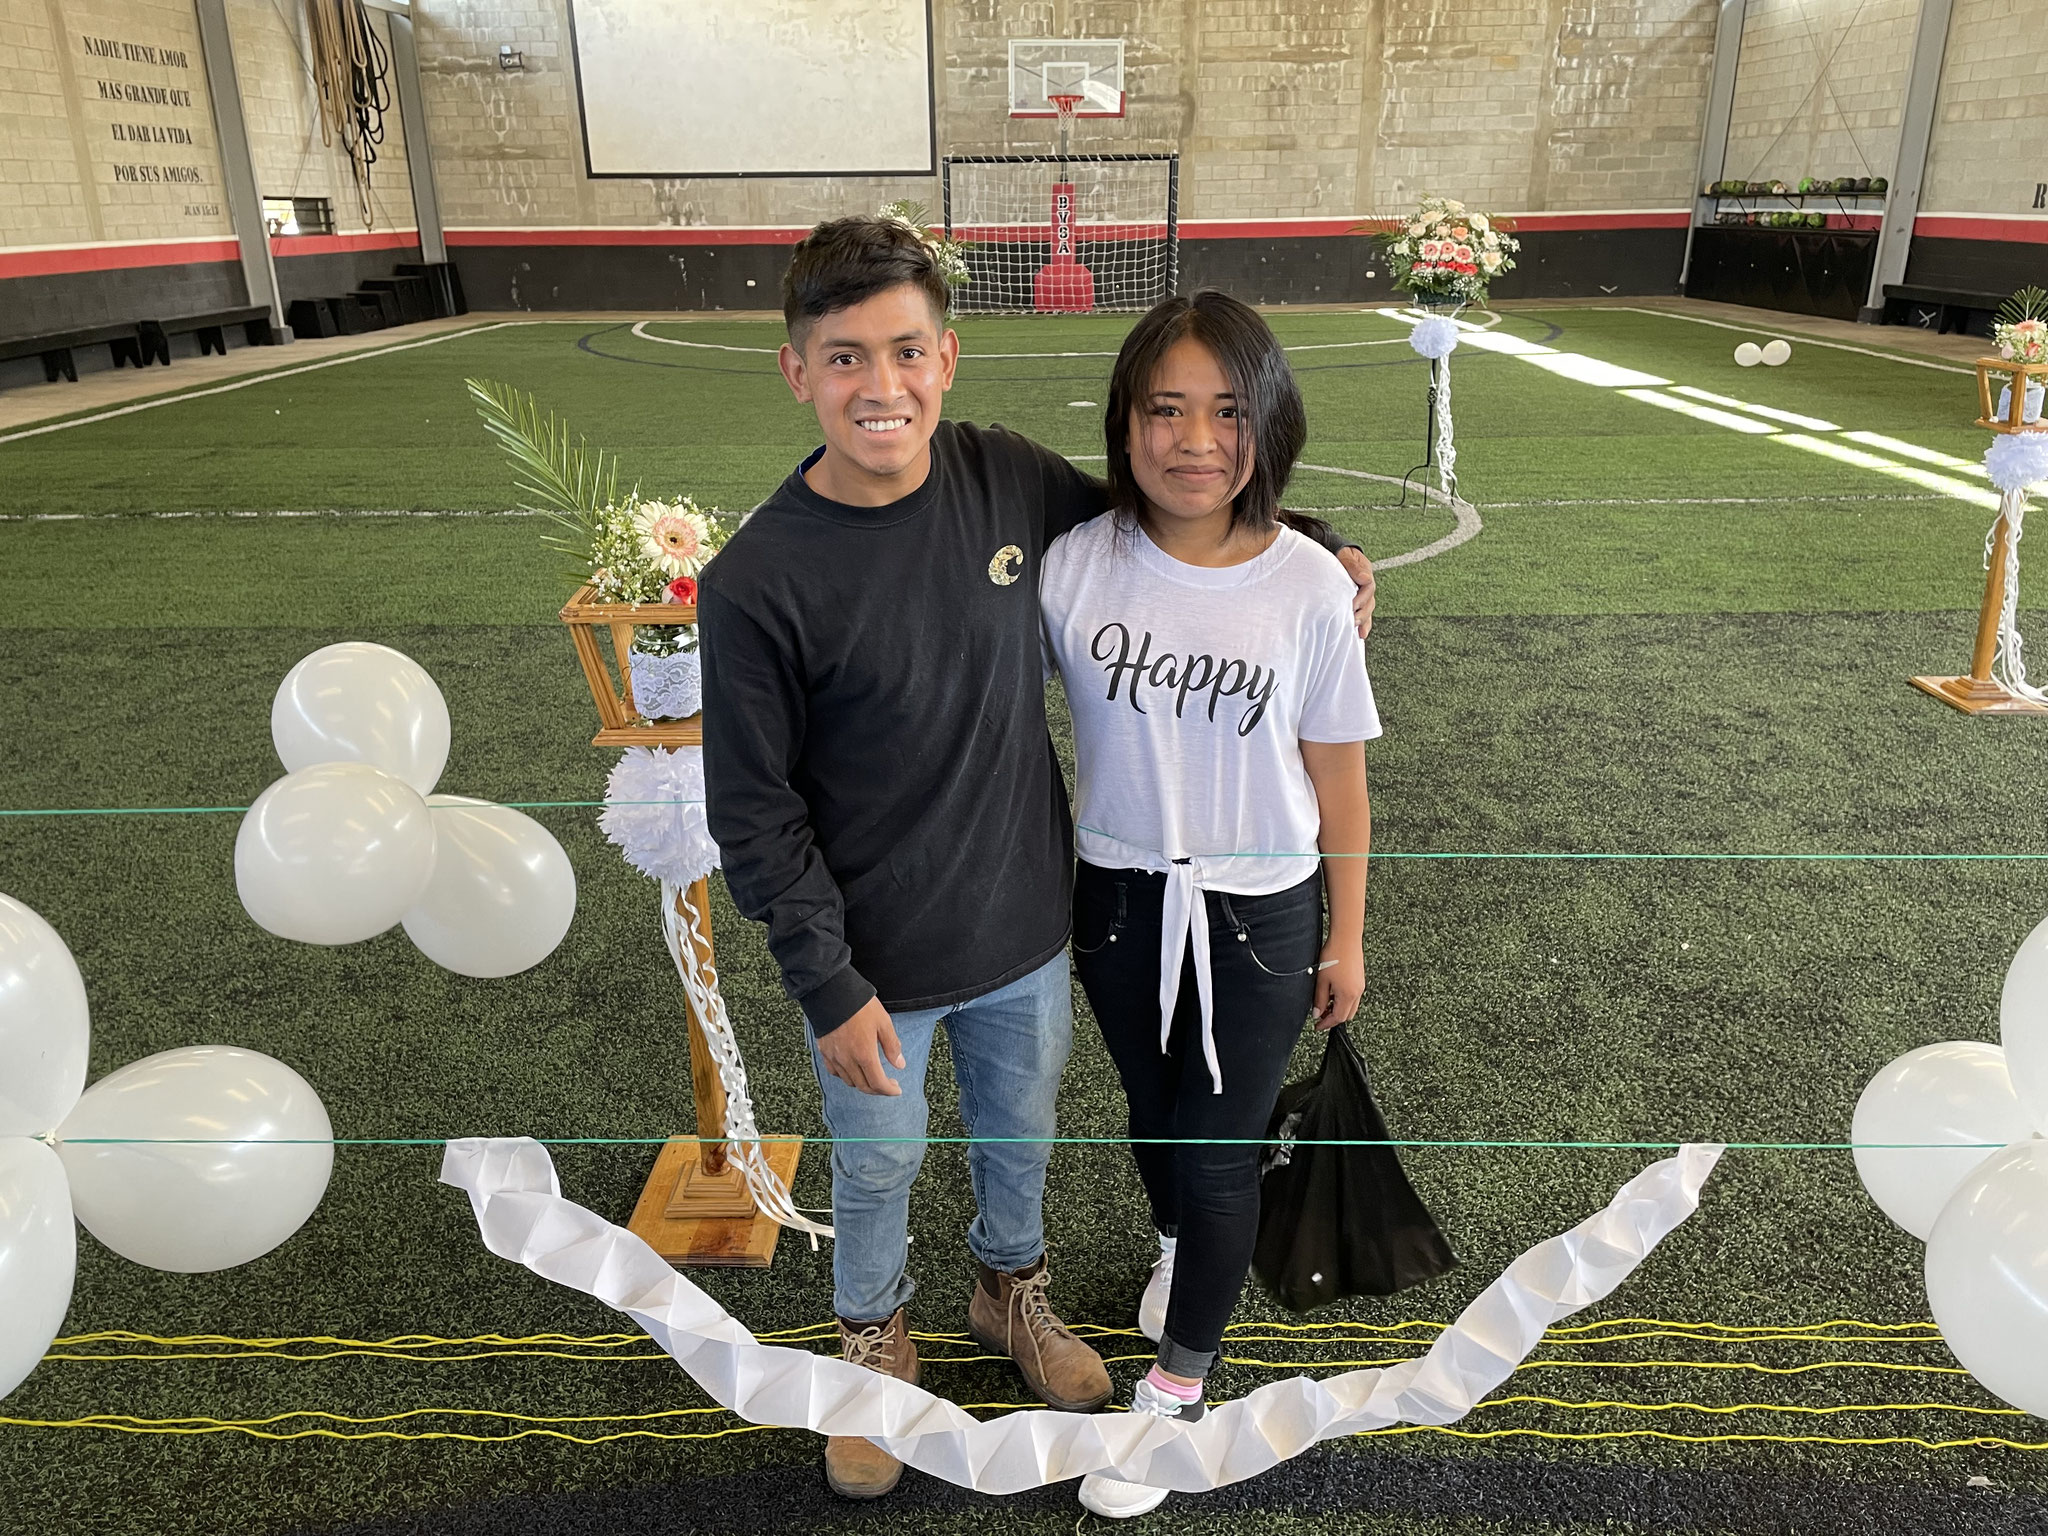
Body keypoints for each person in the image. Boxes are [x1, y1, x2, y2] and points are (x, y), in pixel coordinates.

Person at [697, 217, 1373, 1501]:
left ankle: (1009, 1296)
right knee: (880, 1158)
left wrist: (1318, 542)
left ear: (947, 359)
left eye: (904, 352)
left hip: (1028, 929)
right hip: (872, 964)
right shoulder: (755, 580)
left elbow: (1176, 511)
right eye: (844, 359)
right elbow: (754, 810)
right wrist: (823, 983)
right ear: (797, 372)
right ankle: (868, 1345)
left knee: (1022, 1139)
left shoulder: (1004, 477)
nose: (878, 386)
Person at [1037, 291, 1379, 1520]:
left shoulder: (1307, 586)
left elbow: (1338, 780)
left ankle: (1175, 1392)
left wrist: (1344, 934)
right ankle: (1180, 1245)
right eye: (1164, 410)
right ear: (1123, 425)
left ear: (1267, 423)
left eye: (1227, 412)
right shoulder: (1074, 567)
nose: (1194, 440)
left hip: (1259, 910)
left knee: (1221, 1142)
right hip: (1117, 899)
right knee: (1151, 1109)